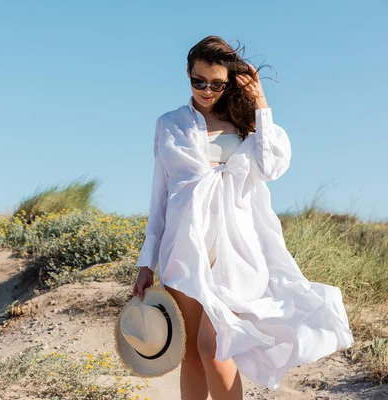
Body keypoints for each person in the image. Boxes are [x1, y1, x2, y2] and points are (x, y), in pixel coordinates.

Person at [132, 35, 353, 400]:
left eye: (216, 84)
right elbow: (160, 197)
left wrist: (260, 103)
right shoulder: (168, 124)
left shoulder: (248, 124)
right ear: (187, 74)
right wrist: (146, 263)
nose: (206, 90)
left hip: (237, 254)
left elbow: (274, 165)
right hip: (184, 251)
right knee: (189, 355)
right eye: (198, 81)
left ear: (230, 82)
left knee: (215, 351)